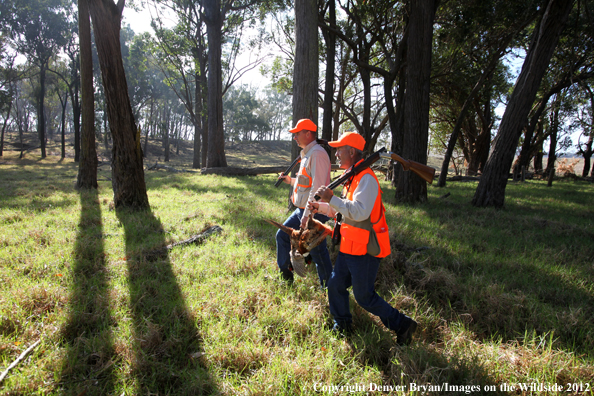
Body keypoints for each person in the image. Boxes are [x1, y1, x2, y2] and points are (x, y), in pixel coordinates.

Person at [308, 131, 418, 345]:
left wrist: (332, 198)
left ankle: (403, 325)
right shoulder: (353, 177)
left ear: (351, 151)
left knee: (364, 297)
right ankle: (343, 324)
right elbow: (343, 211)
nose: (336, 153)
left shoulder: (366, 178)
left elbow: (359, 212)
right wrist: (321, 205)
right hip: (349, 247)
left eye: (339, 149)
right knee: (335, 284)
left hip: (366, 249)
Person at [276, 118, 333, 287]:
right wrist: (290, 181)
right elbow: (305, 184)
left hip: (314, 212)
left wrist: (307, 216)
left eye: (297, 133)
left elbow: (317, 190)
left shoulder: (317, 155)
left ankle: (328, 287)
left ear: (308, 134)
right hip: (303, 210)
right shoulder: (308, 155)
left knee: (317, 250)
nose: (294, 137)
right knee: (282, 236)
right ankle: (286, 278)